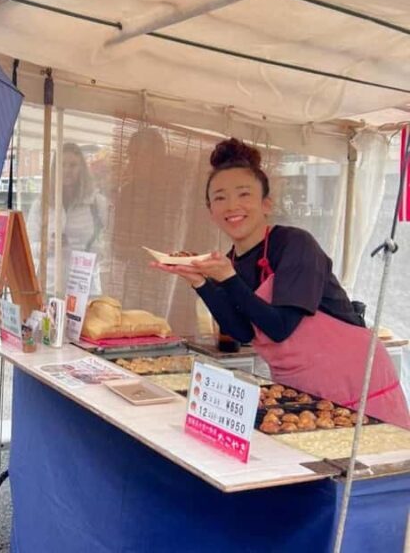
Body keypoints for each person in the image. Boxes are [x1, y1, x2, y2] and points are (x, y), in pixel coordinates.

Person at [151, 137, 410, 428]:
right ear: (210, 210)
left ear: (266, 204)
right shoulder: (231, 260)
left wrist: (228, 279)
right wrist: (200, 283)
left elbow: (279, 328)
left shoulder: (296, 244)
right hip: (299, 388)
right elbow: (242, 331)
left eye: (244, 194)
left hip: (356, 382)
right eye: (220, 198)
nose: (232, 205)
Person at [26, 142, 108, 296]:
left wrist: (94, 254)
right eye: (62, 165)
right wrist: (47, 246)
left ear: (82, 168)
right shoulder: (41, 205)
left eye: (73, 165)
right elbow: (28, 247)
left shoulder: (97, 203)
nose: (67, 170)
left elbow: (109, 242)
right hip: (49, 287)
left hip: (86, 288)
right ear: (54, 169)